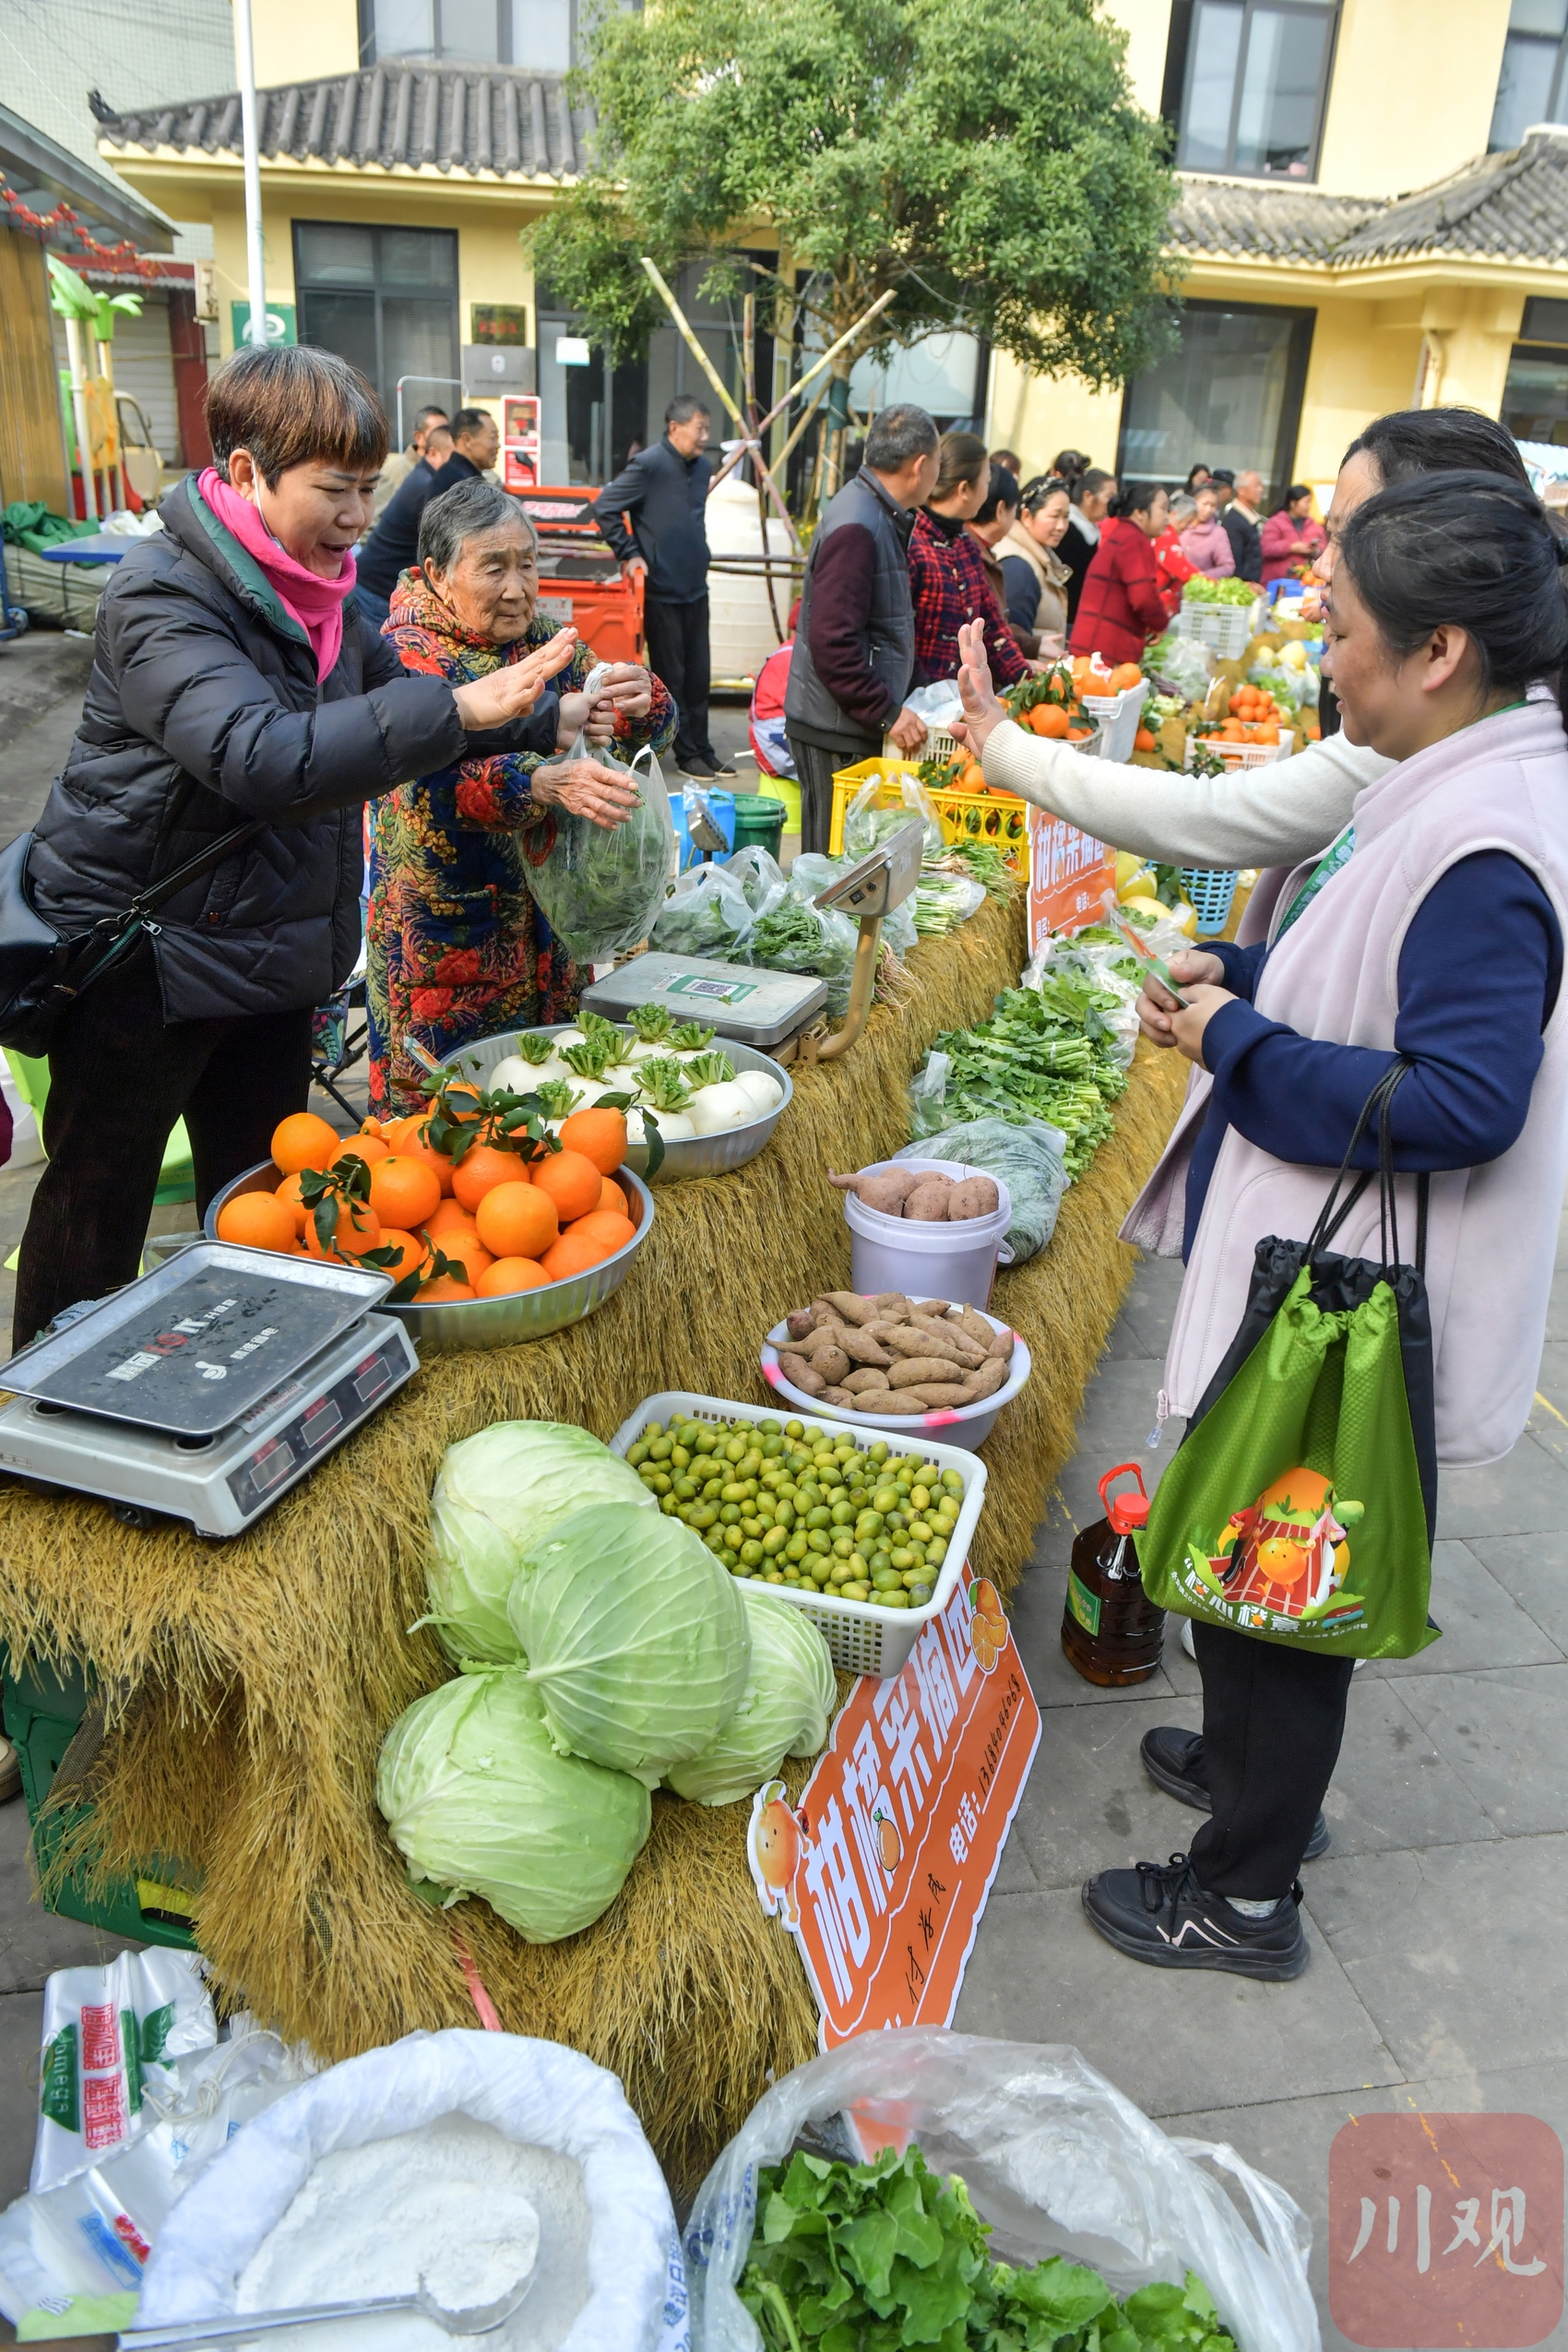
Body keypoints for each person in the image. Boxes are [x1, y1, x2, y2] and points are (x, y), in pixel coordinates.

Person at [1077, 469, 1568, 1978]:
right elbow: (1372, 981)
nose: (1325, 659)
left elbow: (1463, 1099)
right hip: (1323, 1265)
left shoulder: (1487, 839)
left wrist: (1239, 1041)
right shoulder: (1444, 779)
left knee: (1285, 1583)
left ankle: (1243, 1893)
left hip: (1351, 1297)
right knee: (1260, 1566)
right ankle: (1250, 1781)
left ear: (1440, 650)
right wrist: (1241, 977)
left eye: (1343, 628)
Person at [13, 346, 575, 1347]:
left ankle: (243, 1373)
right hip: (145, 958)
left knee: (266, 1203)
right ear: (246, 473)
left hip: (267, 950)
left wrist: (549, 718)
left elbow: (401, 705)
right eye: (334, 490)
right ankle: (47, 1413)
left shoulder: (325, 599)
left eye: (369, 488)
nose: (359, 517)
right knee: (95, 1213)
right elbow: (261, 756)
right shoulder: (162, 595)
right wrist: (460, 706)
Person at [950, 407, 1538, 881]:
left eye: (1346, 539)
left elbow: (1213, 815)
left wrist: (1010, 749)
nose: (1322, 568)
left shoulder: (1485, 848)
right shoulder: (1463, 736)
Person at [368, 474, 675, 1111]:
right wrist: (537, 783)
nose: (516, 588)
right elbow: (422, 790)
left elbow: (636, 727)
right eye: (493, 568)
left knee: (552, 1107)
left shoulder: (545, 642)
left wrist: (643, 701)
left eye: (527, 564)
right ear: (438, 574)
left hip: (553, 937)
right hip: (450, 943)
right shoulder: (405, 656)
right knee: (449, 1120)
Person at [783, 402, 940, 855]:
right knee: (831, 867)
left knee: (848, 864)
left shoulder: (875, 512)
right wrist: (886, 712)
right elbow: (833, 643)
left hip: (846, 720)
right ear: (921, 465)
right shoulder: (859, 523)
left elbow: (880, 626)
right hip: (833, 727)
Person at [591, 394, 731, 781]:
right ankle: (686, 754)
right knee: (674, 677)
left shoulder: (702, 468)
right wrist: (631, 553)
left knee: (700, 675)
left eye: (707, 429)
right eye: (699, 429)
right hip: (662, 591)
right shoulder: (649, 465)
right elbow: (605, 506)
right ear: (674, 428)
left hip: (695, 586)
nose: (705, 437)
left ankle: (703, 748)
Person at [354, 407, 501, 625]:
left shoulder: (457, 475)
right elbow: (451, 551)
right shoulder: (450, 482)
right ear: (467, 440)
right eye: (493, 437)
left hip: (382, 588)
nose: (498, 445)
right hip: (378, 593)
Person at [909, 434, 1031, 692]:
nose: (987, 491)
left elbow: (993, 629)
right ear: (964, 489)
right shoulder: (911, 544)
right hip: (913, 703)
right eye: (986, 482)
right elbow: (897, 636)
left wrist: (1028, 685)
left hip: (956, 702)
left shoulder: (966, 546)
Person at [1068, 481, 1170, 666]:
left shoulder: (1123, 534)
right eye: (1163, 508)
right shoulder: (1134, 540)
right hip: (1105, 650)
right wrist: (1161, 623)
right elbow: (1144, 597)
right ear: (1139, 513)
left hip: (1093, 647)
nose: (1167, 518)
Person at [999, 474, 1073, 655]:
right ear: (1026, 516)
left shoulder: (1040, 558)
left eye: (1066, 517)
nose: (1062, 526)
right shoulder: (1019, 566)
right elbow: (1013, 639)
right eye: (1055, 516)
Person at [967, 464, 1035, 656]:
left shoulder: (979, 549)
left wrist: (1034, 645)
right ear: (1000, 510)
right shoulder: (969, 553)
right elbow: (988, 630)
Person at [1060, 467, 1117, 624]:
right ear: (1088, 497)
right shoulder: (1067, 532)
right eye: (1109, 497)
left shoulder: (1092, 531)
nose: (1114, 504)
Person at [374, 403, 448, 518]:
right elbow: (375, 521)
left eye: (447, 432)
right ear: (419, 437)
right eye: (438, 432)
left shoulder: (445, 470)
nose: (446, 438)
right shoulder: (395, 472)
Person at [1261, 483, 1326, 585]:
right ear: (1293, 503)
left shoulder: (1314, 526)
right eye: (1306, 502)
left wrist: (1314, 550)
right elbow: (1266, 548)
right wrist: (1291, 547)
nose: (1309, 506)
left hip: (1305, 582)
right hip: (1276, 582)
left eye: (1310, 502)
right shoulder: (1275, 523)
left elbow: (1324, 549)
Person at [1212, 468, 1264, 584]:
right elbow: (1234, 562)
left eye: (1261, 486)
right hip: (1241, 585)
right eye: (1256, 486)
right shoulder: (1234, 521)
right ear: (1241, 490)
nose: (1261, 490)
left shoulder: (1249, 517)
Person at [1153, 492, 1198, 620]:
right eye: (1187, 521)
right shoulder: (1165, 536)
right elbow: (1180, 567)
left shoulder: (1167, 535)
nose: (1188, 527)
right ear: (1173, 514)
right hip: (1161, 604)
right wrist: (1209, 581)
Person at [1178, 481, 1235, 580]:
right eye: (1205, 504)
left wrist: (1201, 577)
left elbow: (1228, 567)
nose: (1208, 509)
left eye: (1213, 506)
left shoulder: (1218, 533)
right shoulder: (1179, 525)